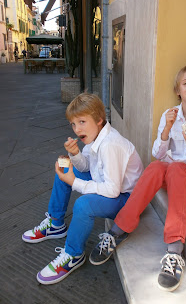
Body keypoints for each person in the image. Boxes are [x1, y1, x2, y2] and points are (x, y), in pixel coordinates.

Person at [89, 65, 186, 292]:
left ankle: (174, 251)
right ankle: (119, 229)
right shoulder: (170, 115)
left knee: (177, 169)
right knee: (154, 167)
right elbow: (157, 154)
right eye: (185, 83)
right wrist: (167, 130)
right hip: (171, 172)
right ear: (178, 90)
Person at [22, 93, 144, 285]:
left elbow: (112, 190)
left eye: (82, 122)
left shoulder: (110, 144)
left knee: (83, 205)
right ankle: (55, 224)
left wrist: (75, 182)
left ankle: (73, 254)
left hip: (126, 200)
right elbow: (87, 167)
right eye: (73, 124)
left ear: (99, 120)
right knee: (64, 170)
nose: (77, 129)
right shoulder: (95, 137)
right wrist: (76, 154)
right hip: (112, 188)